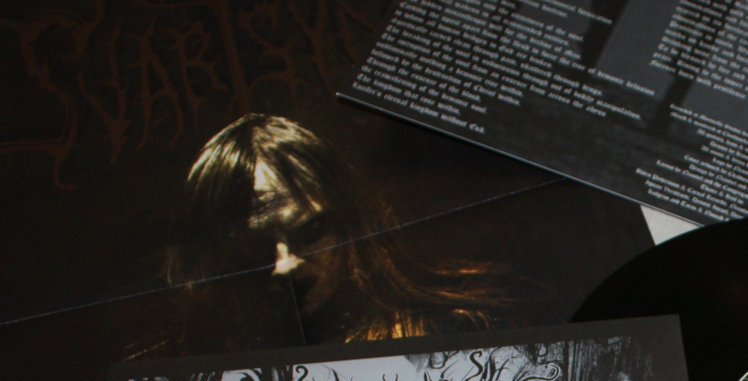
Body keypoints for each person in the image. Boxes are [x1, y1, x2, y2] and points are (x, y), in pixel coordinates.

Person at [165, 114, 527, 342]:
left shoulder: (436, 338)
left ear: (349, 227)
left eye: (311, 232)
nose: (286, 265)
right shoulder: (194, 364)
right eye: (254, 249)